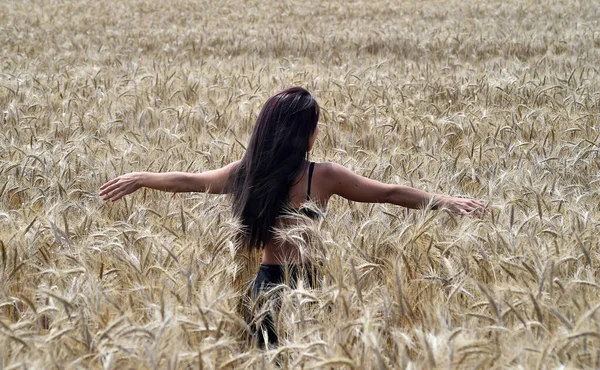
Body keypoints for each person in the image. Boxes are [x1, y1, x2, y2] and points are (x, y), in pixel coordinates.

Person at [99, 86, 486, 348]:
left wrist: (142, 178)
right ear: (304, 134)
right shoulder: (323, 175)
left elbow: (189, 181)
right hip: (310, 289)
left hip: (264, 289)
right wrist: (443, 201)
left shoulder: (247, 173)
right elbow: (388, 193)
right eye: (315, 126)